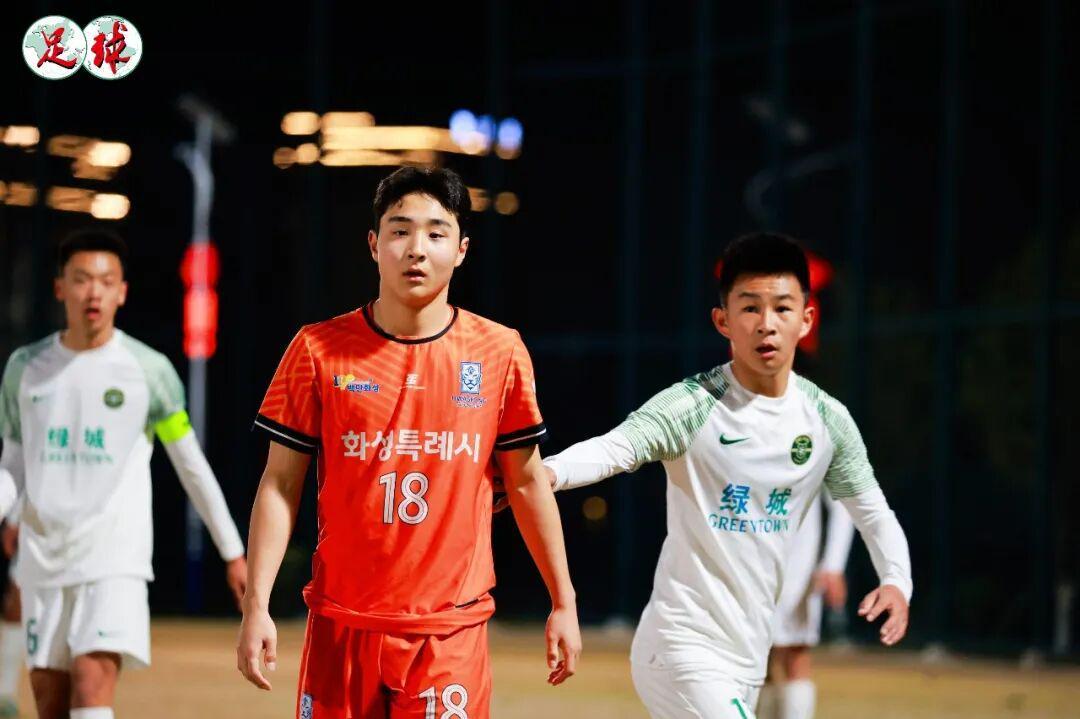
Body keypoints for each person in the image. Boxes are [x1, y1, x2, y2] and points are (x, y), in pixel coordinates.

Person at [237, 166, 581, 719]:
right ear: (374, 245)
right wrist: (257, 605)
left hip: (448, 633)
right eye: (400, 231)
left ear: (461, 250)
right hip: (340, 625)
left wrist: (563, 600)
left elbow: (525, 481)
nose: (416, 249)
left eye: (436, 233)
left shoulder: (499, 352)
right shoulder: (317, 349)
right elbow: (279, 483)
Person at [543, 232, 912, 718]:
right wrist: (544, 473)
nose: (766, 324)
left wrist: (897, 581)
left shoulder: (827, 419)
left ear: (806, 320)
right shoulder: (693, 405)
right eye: (750, 308)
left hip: (748, 657)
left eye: (782, 308)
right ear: (723, 321)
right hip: (680, 648)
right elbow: (614, 448)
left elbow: (873, 511)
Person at [0, 229, 248, 719]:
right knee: (50, 703)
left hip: (113, 560)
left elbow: (191, 466)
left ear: (122, 292)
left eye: (106, 280)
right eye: (81, 279)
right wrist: (8, 515)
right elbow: (12, 465)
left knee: (91, 686)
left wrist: (232, 550)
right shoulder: (25, 369)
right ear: (60, 288)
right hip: (43, 560)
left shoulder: (148, 371)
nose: (93, 292)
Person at [756, 492, 855, 719]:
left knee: (795, 652)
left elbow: (843, 501)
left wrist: (833, 565)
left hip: (797, 566)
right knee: (756, 659)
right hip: (744, 560)